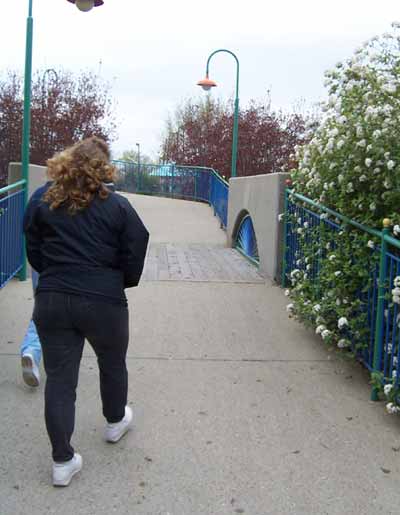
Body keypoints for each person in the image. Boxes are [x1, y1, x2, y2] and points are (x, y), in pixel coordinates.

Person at [23, 136, 149, 487]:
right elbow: (136, 246)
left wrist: (52, 273)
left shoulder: (41, 199)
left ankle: (62, 462)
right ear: (103, 168)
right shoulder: (118, 206)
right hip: (104, 299)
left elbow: (32, 245)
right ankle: (114, 422)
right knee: (112, 362)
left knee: (60, 380)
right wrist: (119, 281)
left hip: (53, 297)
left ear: (66, 162)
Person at [20, 180, 116, 388]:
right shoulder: (88, 195)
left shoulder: (41, 193)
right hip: (67, 268)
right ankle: (35, 352)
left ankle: (31, 350)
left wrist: (39, 261)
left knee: (43, 305)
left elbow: (27, 225)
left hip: (44, 259)